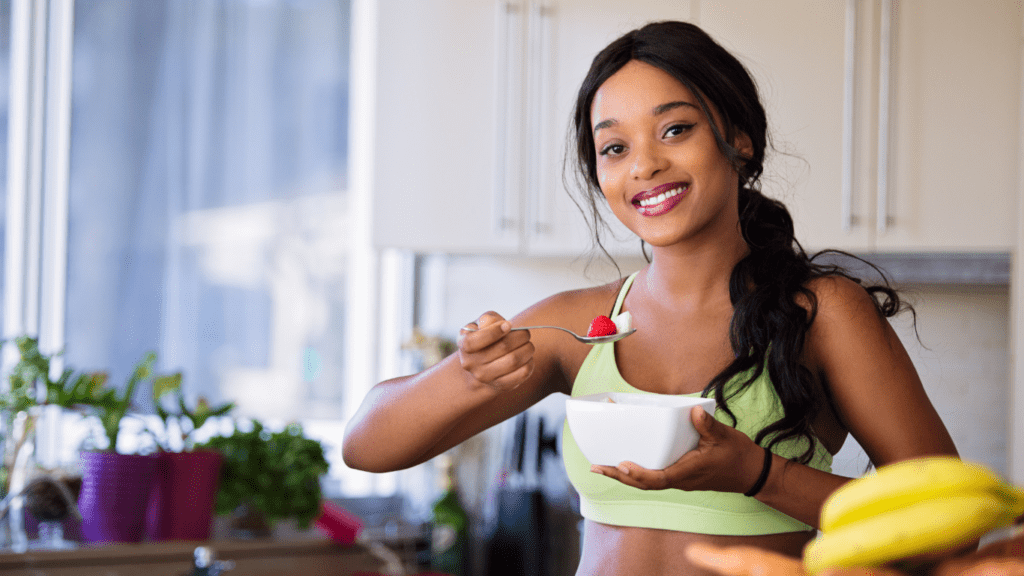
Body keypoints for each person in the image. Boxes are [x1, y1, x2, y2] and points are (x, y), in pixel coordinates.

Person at [342, 20, 959, 575]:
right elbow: (367, 445)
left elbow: (946, 528)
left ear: (738, 139)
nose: (645, 165)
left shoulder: (821, 314)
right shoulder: (579, 326)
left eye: (676, 129)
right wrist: (471, 376)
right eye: (615, 147)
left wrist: (758, 475)